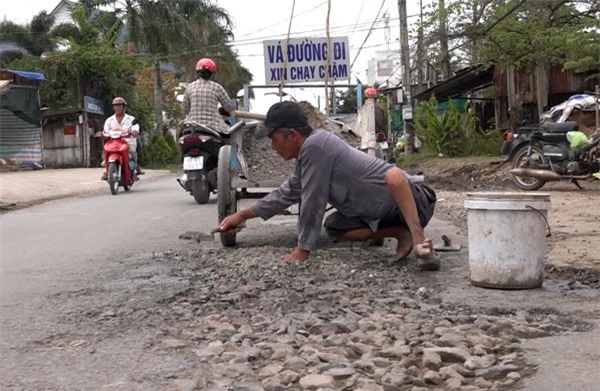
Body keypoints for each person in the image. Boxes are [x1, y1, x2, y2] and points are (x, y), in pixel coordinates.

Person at [220, 101, 440, 270]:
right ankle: (401, 233)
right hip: (382, 213)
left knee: (394, 176)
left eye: (274, 139)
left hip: (414, 202)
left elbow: (313, 199)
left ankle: (418, 239)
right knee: (335, 226)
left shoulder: (317, 145)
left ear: (293, 135)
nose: (273, 147)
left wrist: (302, 249)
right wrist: (243, 216)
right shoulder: (305, 156)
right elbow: (286, 193)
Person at [182, 57, 236, 134]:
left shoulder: (190, 87)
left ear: (197, 73)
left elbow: (185, 109)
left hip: (192, 127)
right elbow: (229, 107)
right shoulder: (217, 87)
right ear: (212, 74)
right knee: (230, 134)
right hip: (213, 127)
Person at [101, 97, 144, 180]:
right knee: (105, 151)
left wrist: (135, 131)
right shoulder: (109, 120)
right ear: (113, 107)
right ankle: (107, 170)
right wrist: (103, 134)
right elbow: (106, 130)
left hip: (127, 141)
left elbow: (135, 127)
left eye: (120, 105)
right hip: (113, 142)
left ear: (124, 107)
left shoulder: (131, 119)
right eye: (116, 106)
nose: (117, 108)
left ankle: (135, 168)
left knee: (132, 151)